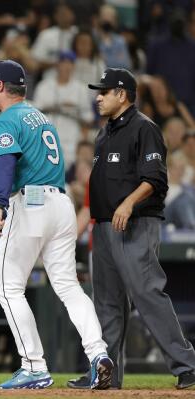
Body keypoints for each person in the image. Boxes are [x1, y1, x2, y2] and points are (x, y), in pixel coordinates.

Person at [0, 60, 112, 390]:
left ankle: (34, 365)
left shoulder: (4, 119)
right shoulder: (40, 116)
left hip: (30, 205)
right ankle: (99, 354)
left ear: (1, 86)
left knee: (7, 288)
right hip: (61, 204)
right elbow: (26, 161)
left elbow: (8, 162)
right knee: (68, 287)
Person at [67, 68, 195, 390]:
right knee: (107, 304)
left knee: (147, 293)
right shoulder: (104, 133)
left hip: (134, 224)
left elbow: (155, 178)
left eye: (104, 92)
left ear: (122, 94)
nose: (98, 97)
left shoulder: (144, 128)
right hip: (104, 229)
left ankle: (187, 367)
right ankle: (107, 375)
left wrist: (128, 203)